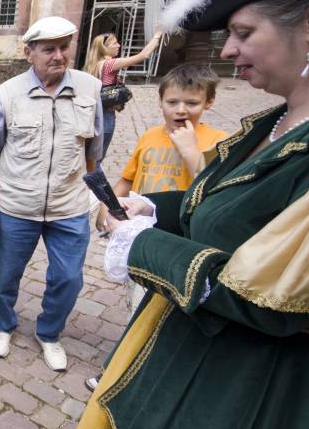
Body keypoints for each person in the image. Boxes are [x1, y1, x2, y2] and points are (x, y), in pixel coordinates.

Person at [58, 0, 309, 429]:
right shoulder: (270, 125)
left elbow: (265, 297)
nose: (226, 51)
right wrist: (154, 204)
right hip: (186, 342)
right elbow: (223, 209)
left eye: (243, 33)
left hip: (245, 385)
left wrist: (142, 243)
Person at [85, 64, 228, 391]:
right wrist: (106, 212)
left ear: (209, 102)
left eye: (191, 103)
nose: (181, 110)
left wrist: (191, 150)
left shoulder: (218, 142)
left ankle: (136, 377)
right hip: (140, 238)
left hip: (179, 245)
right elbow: (128, 179)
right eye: (173, 102)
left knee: (163, 315)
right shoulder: (149, 137)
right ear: (160, 102)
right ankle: (123, 370)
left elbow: (215, 193)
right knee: (135, 305)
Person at [0, 16, 103, 371]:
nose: (59, 55)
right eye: (49, 48)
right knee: (7, 275)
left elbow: (94, 154)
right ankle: (3, 324)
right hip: (18, 206)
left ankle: (49, 332)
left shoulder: (90, 90)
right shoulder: (9, 94)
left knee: (68, 279)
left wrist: (97, 201)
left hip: (70, 207)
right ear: (29, 52)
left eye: (65, 47)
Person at [85, 29, 162, 160]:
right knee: (96, 160)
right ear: (104, 48)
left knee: (92, 156)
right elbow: (143, 55)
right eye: (114, 43)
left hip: (94, 114)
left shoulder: (94, 65)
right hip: (106, 115)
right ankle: (99, 181)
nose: (118, 45)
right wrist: (157, 36)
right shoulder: (109, 64)